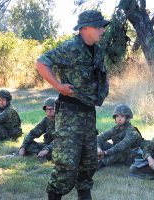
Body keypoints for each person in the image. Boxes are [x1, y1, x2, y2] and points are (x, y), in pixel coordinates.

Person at [36, 10, 110, 200]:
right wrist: (58, 86)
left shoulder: (97, 49)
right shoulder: (70, 47)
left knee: (88, 164)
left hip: (88, 113)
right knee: (67, 166)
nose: (103, 29)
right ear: (85, 28)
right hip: (70, 112)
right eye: (99, 26)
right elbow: (41, 62)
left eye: (103, 26)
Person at [97, 104, 143, 169]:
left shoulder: (132, 131)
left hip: (130, 157)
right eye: (117, 116)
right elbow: (99, 138)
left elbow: (122, 146)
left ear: (127, 118)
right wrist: (98, 149)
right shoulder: (115, 129)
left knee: (122, 150)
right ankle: (95, 156)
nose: (119, 119)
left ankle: (101, 163)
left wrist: (105, 153)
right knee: (95, 141)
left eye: (122, 116)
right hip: (117, 153)